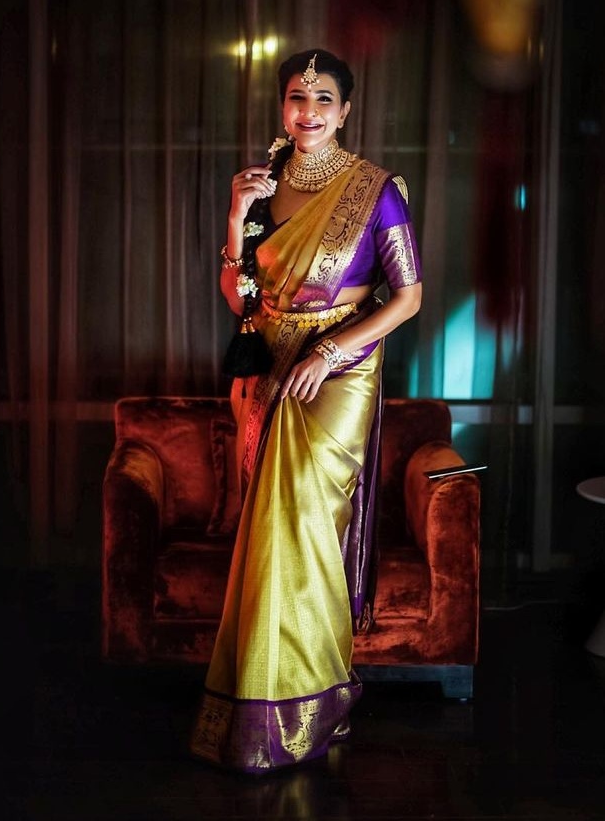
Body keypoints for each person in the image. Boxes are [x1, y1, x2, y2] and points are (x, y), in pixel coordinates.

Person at [190, 48, 422, 773]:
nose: (310, 111)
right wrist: (237, 216)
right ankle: (266, 706)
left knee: (310, 525)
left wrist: (328, 352)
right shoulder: (262, 184)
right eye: (298, 97)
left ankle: (314, 701)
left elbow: (409, 296)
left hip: (338, 369)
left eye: (324, 99)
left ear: (345, 111)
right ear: (282, 106)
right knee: (271, 530)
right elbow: (240, 297)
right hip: (269, 364)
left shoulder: (375, 191)